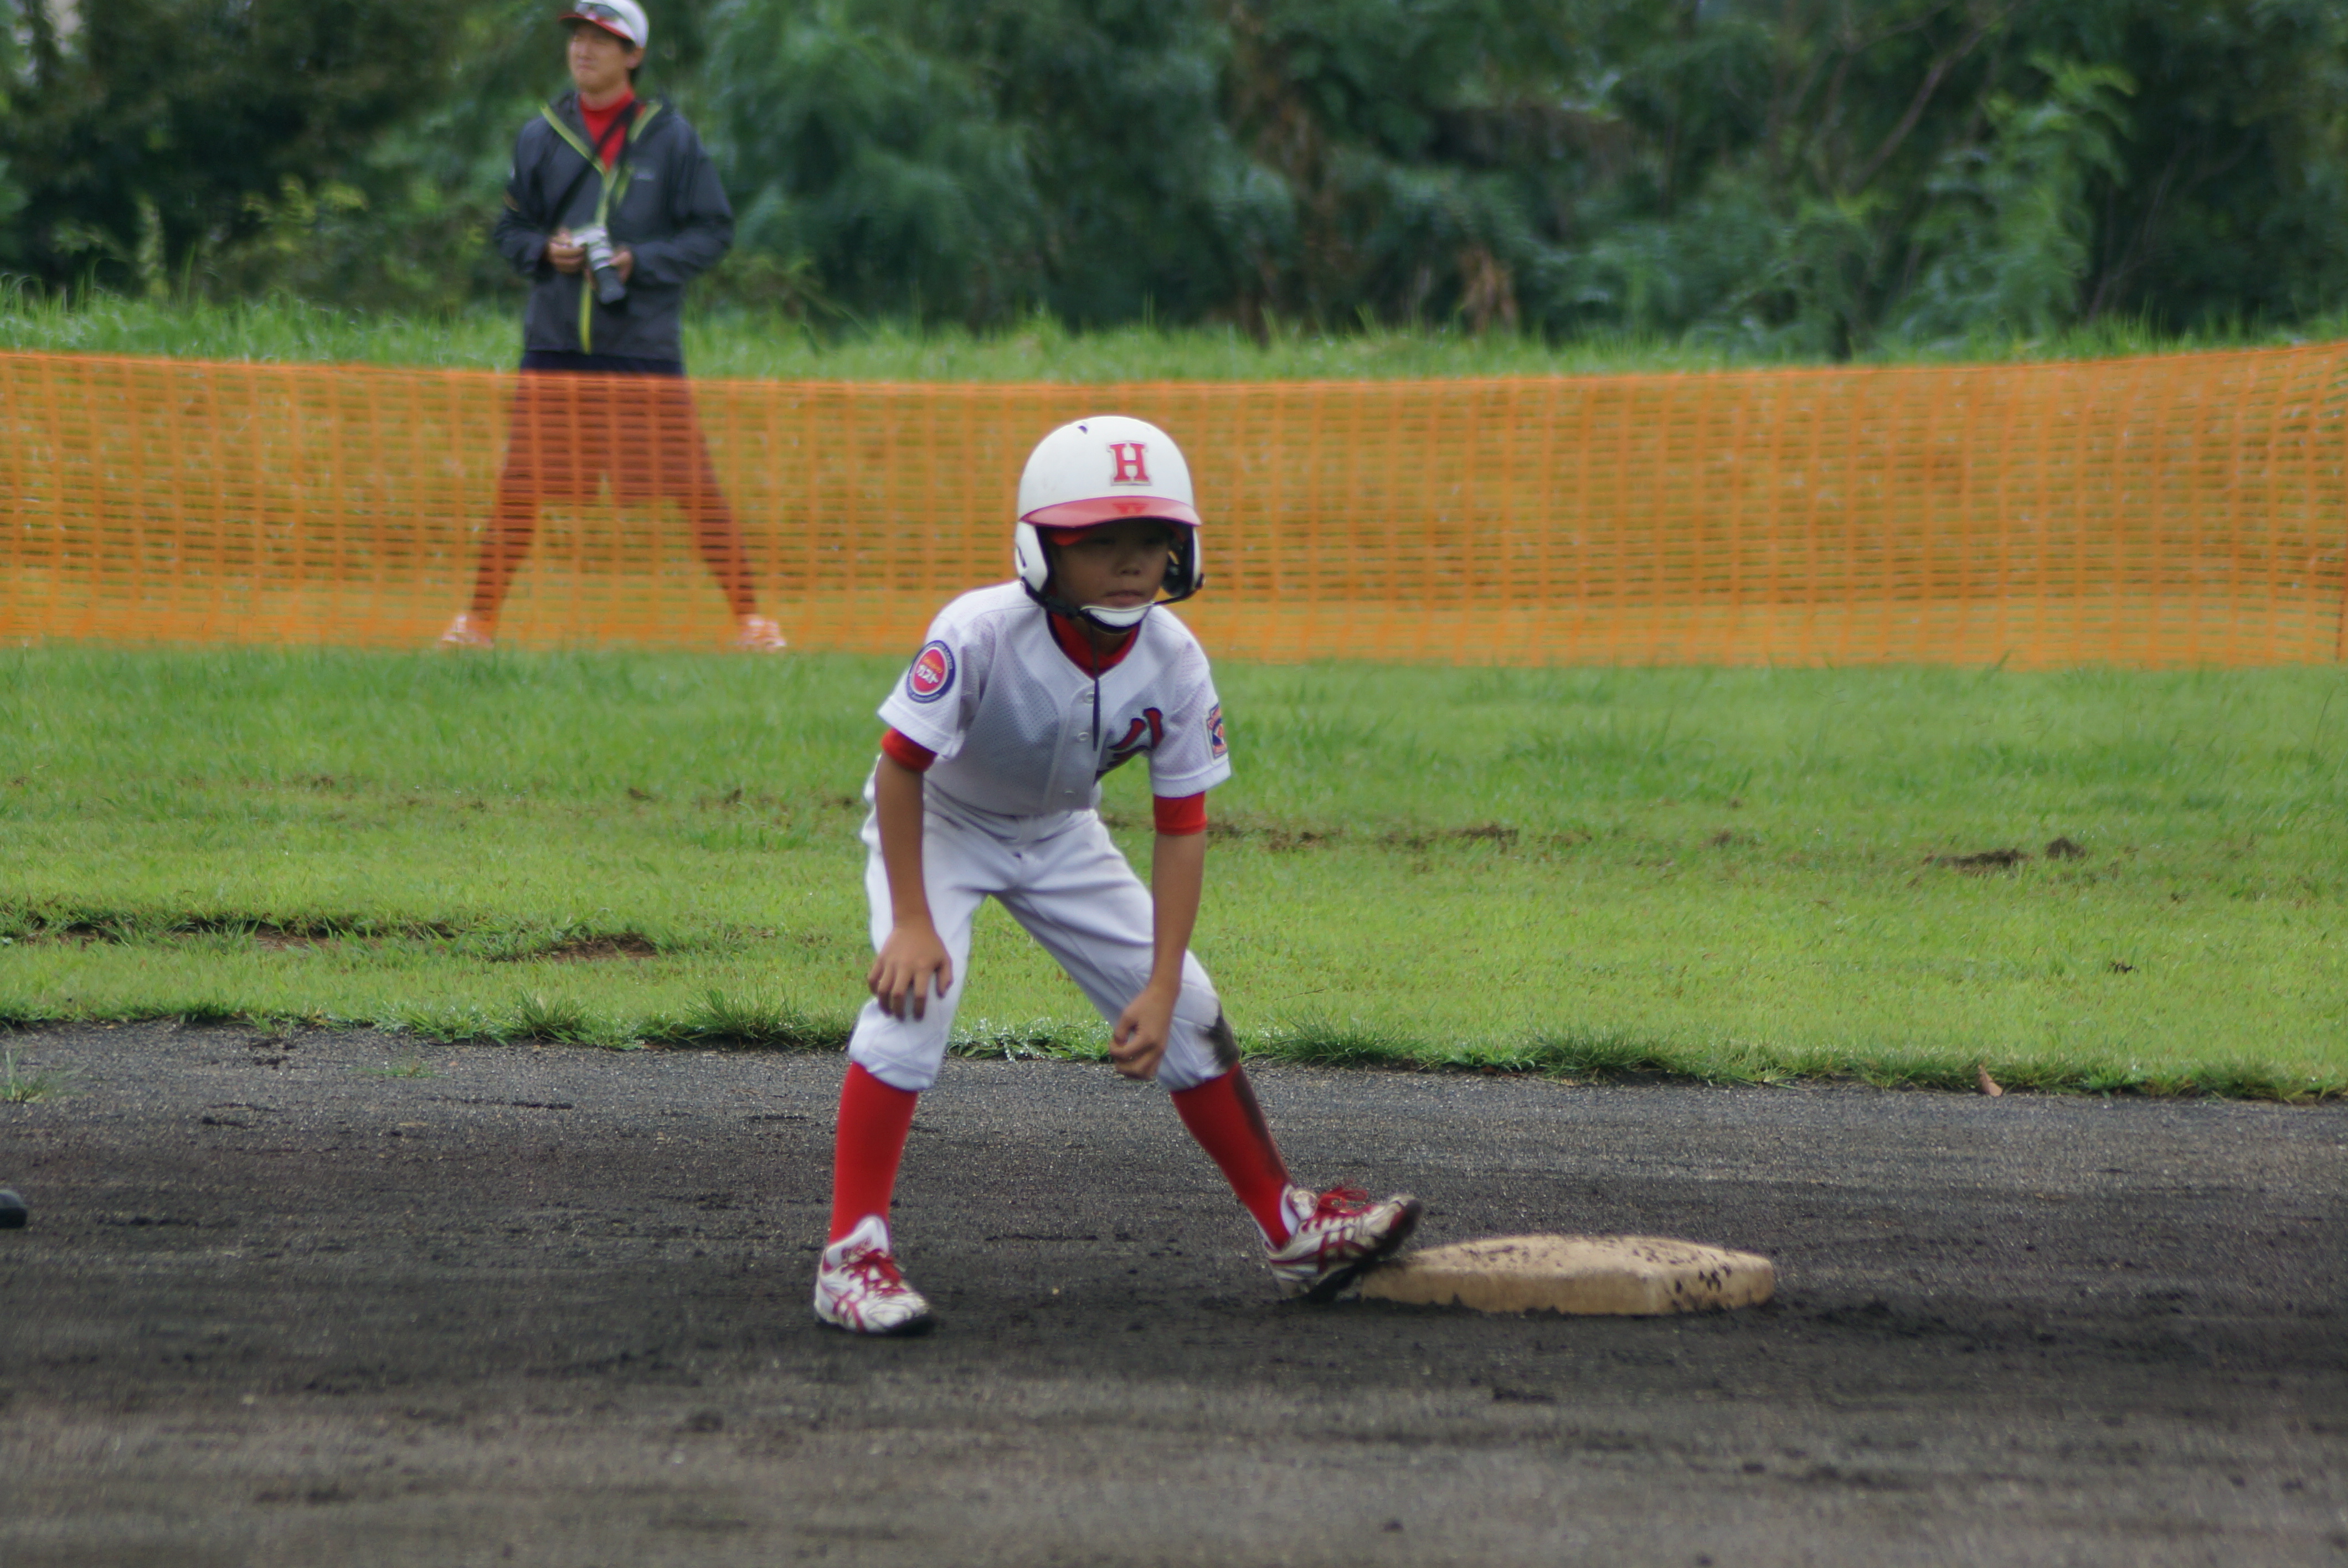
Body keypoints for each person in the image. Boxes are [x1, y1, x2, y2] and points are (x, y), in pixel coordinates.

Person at [813, 414, 1421, 1336]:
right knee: (916, 997)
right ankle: (851, 1257)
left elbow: (1182, 827)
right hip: (942, 821)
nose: (1132, 562)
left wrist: (1162, 980)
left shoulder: (1175, 659)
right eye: (1099, 541)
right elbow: (901, 768)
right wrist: (910, 920)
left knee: (1192, 1009)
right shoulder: (979, 631)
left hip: (1061, 835)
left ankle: (1290, 1231)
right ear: (1041, 549)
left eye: (1151, 538)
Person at [441, 0, 784, 653]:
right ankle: (476, 623)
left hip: (640, 348)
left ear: (633, 55)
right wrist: (545, 250)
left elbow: (713, 232)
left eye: (601, 39)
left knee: (693, 487)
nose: (583, 49)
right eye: (577, 36)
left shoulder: (672, 138)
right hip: (555, 343)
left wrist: (639, 262)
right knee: (520, 488)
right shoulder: (539, 135)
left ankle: (752, 621)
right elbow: (509, 230)